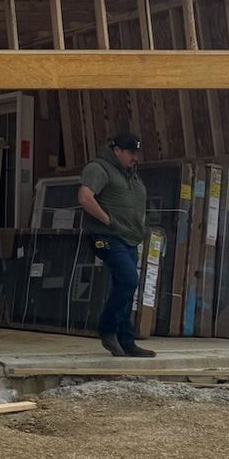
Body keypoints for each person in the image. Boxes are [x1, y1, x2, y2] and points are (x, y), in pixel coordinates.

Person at [78, 130, 156, 358]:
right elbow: (85, 197)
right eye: (131, 152)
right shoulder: (99, 169)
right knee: (128, 279)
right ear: (117, 150)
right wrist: (109, 221)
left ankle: (126, 341)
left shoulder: (131, 174)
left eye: (137, 153)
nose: (135, 157)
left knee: (127, 286)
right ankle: (107, 329)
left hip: (128, 238)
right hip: (105, 237)